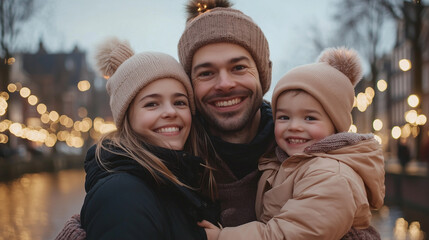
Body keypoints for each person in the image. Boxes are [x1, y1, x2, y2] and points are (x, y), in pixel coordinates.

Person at [199, 47, 386, 239]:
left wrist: (221, 237)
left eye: (310, 118)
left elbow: (287, 235)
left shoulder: (331, 175)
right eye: (284, 117)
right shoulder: (287, 162)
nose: (294, 126)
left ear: (335, 123)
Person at [58, 37, 218, 239]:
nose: (170, 112)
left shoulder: (178, 179)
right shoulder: (122, 195)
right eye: (152, 104)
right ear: (127, 117)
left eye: (179, 102)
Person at [178, 0, 274, 227]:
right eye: (206, 73)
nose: (224, 84)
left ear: (262, 74)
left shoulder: (300, 148)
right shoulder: (171, 162)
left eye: (239, 68)